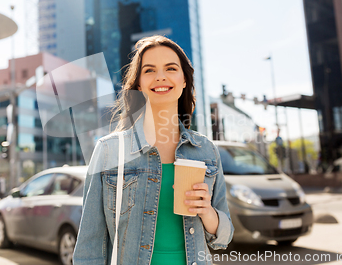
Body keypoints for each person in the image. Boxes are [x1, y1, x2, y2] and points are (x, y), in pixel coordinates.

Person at [72, 35, 234, 265]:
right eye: (149, 70)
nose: (160, 76)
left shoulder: (205, 150)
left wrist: (207, 212)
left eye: (171, 68)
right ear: (139, 84)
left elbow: (223, 238)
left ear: (185, 80)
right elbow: (89, 248)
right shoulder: (109, 150)